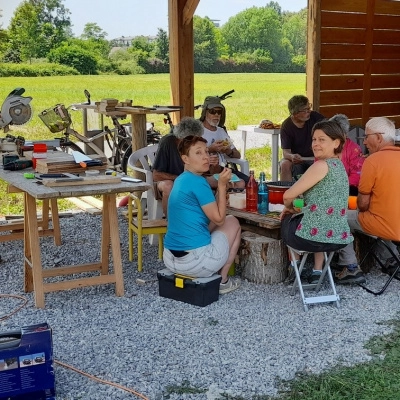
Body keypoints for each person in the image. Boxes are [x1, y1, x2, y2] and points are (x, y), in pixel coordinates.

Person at [163, 133, 241, 294]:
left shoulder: (181, 180)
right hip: (196, 263)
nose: (206, 157)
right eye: (198, 153)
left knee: (215, 222)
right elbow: (219, 220)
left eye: (206, 151)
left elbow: (207, 219)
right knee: (232, 221)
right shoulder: (199, 182)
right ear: (185, 159)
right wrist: (221, 185)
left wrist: (221, 195)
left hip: (170, 260)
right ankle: (223, 281)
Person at [280, 120, 354, 284]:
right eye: (314, 139)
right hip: (337, 238)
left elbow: (287, 196)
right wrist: (296, 207)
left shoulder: (320, 166)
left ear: (336, 142)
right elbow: (312, 200)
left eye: (322, 140)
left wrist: (289, 209)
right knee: (314, 217)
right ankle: (316, 270)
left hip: (315, 238)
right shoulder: (339, 166)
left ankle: (295, 266)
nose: (316, 144)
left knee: (287, 220)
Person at [335, 117, 400, 283]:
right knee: (385, 214)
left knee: (338, 217)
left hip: (384, 225)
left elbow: (362, 205)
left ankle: (350, 267)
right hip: (394, 224)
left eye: (367, 136)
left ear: (378, 137)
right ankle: (391, 260)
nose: (364, 142)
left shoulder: (372, 161)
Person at [152, 117, 208, 216]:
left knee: (216, 181)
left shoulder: (194, 146)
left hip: (189, 178)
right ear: (180, 138)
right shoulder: (168, 142)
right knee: (168, 186)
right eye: (190, 141)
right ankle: (170, 221)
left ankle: (205, 218)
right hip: (167, 180)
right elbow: (156, 175)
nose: (193, 143)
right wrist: (180, 178)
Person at [199, 96, 247, 187]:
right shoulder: (198, 130)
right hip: (206, 171)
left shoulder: (221, 131)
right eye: (213, 112)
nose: (216, 115)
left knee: (251, 184)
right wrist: (210, 149)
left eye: (219, 112)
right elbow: (192, 155)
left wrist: (228, 151)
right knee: (238, 184)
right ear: (205, 112)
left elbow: (237, 155)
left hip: (223, 169)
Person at [280, 95, 324, 181]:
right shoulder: (286, 126)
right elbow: (286, 152)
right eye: (305, 110)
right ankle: (286, 192)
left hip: (316, 157)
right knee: (285, 164)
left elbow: (331, 129)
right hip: (298, 160)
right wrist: (292, 156)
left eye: (309, 108)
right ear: (295, 114)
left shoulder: (315, 117)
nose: (309, 112)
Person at [329, 114, 365, 195]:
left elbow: (357, 174)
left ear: (345, 134)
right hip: (328, 187)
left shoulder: (354, 149)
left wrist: (340, 187)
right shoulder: (325, 147)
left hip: (348, 187)